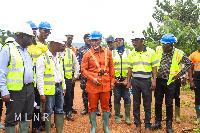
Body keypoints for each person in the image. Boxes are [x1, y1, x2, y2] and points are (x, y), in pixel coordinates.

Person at [150, 34, 193, 133]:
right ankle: (158, 122)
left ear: (172, 45)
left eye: (166, 45)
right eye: (163, 44)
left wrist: (179, 75)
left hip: (170, 82)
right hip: (159, 80)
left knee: (169, 103)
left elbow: (189, 63)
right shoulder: (158, 49)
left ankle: (169, 125)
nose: (163, 46)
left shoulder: (179, 53)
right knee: (157, 102)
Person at [0, 23, 34, 132]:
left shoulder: (27, 51)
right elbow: (1, 71)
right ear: (22, 36)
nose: (32, 39)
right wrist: (4, 90)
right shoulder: (7, 49)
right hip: (15, 91)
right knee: (12, 118)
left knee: (26, 116)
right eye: (30, 37)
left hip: (29, 89)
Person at [81, 31, 115, 133]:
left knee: (106, 106)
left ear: (100, 40)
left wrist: (112, 81)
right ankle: (93, 127)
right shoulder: (87, 54)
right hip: (93, 85)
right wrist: (92, 78)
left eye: (96, 40)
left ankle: (106, 127)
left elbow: (111, 67)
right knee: (92, 106)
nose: (94, 43)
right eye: (92, 40)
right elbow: (83, 69)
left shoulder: (108, 52)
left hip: (105, 84)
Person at [126, 35, 158, 133]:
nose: (134, 43)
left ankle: (147, 126)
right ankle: (138, 125)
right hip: (135, 81)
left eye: (136, 40)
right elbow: (130, 68)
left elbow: (154, 67)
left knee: (147, 104)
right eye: (132, 41)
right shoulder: (131, 54)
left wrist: (154, 80)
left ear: (142, 40)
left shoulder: (151, 52)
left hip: (146, 82)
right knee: (136, 104)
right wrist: (128, 81)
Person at [36, 35, 66, 133]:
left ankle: (59, 130)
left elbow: (62, 72)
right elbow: (39, 76)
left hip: (59, 88)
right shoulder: (43, 58)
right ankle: (48, 131)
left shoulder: (59, 57)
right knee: (48, 112)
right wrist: (41, 93)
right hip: (49, 90)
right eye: (60, 44)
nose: (62, 46)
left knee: (60, 110)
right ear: (54, 44)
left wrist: (63, 86)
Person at [27, 21, 50, 132]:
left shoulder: (42, 47)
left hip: (36, 80)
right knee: (25, 105)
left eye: (34, 30)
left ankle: (36, 126)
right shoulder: (24, 45)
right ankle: (25, 126)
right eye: (32, 30)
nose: (33, 32)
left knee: (37, 105)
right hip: (24, 80)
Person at [77, 33, 101, 116]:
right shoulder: (81, 50)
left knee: (96, 91)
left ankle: (96, 108)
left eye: (89, 38)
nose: (88, 39)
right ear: (84, 40)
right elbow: (79, 62)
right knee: (85, 91)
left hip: (94, 75)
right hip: (85, 75)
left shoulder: (95, 49)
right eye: (86, 38)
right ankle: (86, 108)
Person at [111, 37, 132, 125]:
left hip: (126, 80)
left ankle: (127, 117)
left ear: (123, 41)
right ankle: (117, 116)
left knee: (127, 97)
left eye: (120, 40)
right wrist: (113, 79)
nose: (118, 42)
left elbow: (132, 66)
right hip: (116, 80)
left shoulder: (129, 52)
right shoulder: (112, 53)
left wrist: (128, 79)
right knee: (117, 97)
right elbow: (110, 67)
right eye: (116, 40)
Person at [61, 35, 80, 121]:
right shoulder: (55, 53)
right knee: (58, 96)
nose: (63, 45)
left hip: (68, 79)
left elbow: (76, 65)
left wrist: (75, 76)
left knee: (68, 96)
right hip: (58, 79)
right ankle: (60, 113)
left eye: (64, 43)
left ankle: (68, 112)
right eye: (62, 43)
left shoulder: (70, 52)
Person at [188, 36, 200, 124]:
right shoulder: (193, 55)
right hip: (197, 80)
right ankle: (199, 116)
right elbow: (190, 69)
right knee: (198, 98)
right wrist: (191, 81)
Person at [106, 37, 115, 118]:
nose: (110, 44)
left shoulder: (118, 52)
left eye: (111, 42)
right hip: (108, 78)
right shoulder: (106, 53)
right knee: (108, 95)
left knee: (118, 96)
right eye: (108, 43)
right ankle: (109, 110)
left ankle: (118, 112)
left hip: (118, 77)